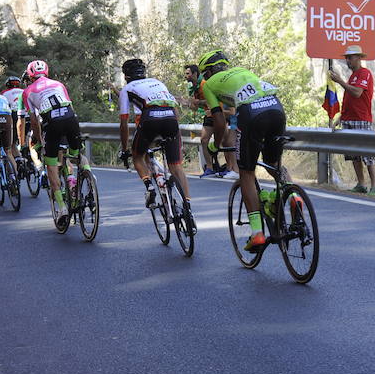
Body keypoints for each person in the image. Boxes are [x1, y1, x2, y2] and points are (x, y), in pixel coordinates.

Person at [198, 49, 286, 252]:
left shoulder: (210, 84)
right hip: (276, 107)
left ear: (208, 72)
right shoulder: (242, 71)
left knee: (246, 172)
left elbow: (219, 123)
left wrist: (215, 145)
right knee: (273, 164)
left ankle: (257, 233)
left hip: (252, 112)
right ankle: (291, 194)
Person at [21, 60, 92, 228]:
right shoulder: (59, 84)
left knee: (51, 165)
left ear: (30, 75)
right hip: (70, 119)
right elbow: (71, 107)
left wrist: (39, 141)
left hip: (51, 122)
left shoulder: (28, 91)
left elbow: (34, 121)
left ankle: (62, 208)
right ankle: (86, 177)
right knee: (77, 156)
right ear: (46, 71)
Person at [116, 59, 192, 210]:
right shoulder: (157, 82)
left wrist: (125, 150)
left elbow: (124, 122)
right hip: (171, 118)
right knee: (176, 167)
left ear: (126, 76)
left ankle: (149, 186)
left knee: (137, 156)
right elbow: (174, 108)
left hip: (150, 118)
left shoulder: (127, 89)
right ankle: (187, 206)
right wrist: (176, 136)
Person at [329, 44, 375, 196]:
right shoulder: (353, 76)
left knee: (367, 154)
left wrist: (340, 82)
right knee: (353, 154)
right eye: (346, 58)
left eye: (350, 58)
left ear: (358, 58)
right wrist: (341, 117)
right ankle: (361, 184)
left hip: (361, 119)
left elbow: (357, 93)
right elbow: (350, 100)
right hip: (349, 119)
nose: (347, 61)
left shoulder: (365, 73)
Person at [182, 64, 217, 177]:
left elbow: (210, 101)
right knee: (204, 140)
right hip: (208, 115)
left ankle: (228, 167)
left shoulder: (203, 85)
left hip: (218, 114)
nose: (185, 76)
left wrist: (197, 102)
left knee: (221, 141)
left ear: (195, 74)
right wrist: (187, 103)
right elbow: (195, 108)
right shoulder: (192, 87)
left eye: (188, 73)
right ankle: (210, 167)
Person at [1, 76, 25, 165]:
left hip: (14, 116)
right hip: (28, 115)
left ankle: (18, 160)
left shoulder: (4, 93)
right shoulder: (24, 91)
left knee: (12, 143)